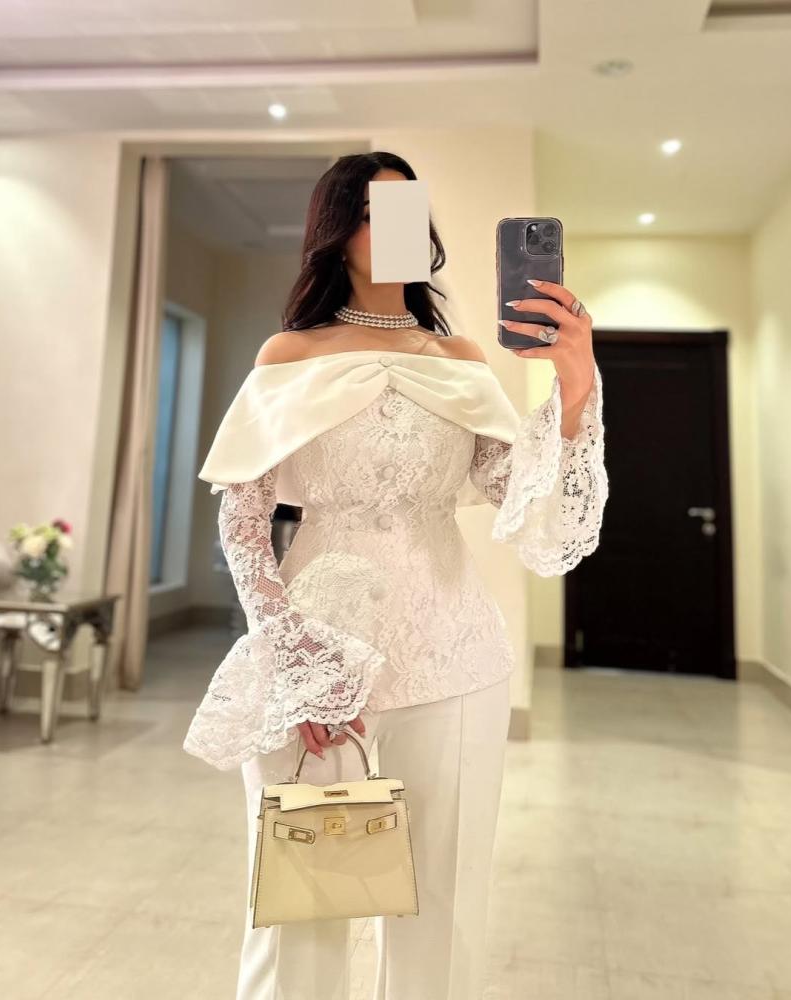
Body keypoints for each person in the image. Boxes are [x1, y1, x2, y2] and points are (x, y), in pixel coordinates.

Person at [183, 151, 608, 1000]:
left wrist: (573, 385)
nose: (399, 229)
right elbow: (243, 516)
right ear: (338, 230)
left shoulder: (460, 358)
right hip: (318, 650)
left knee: (443, 905)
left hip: (455, 653)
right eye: (379, 214)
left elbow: (518, 497)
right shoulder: (289, 352)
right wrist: (294, 659)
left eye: (412, 211)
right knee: (305, 906)